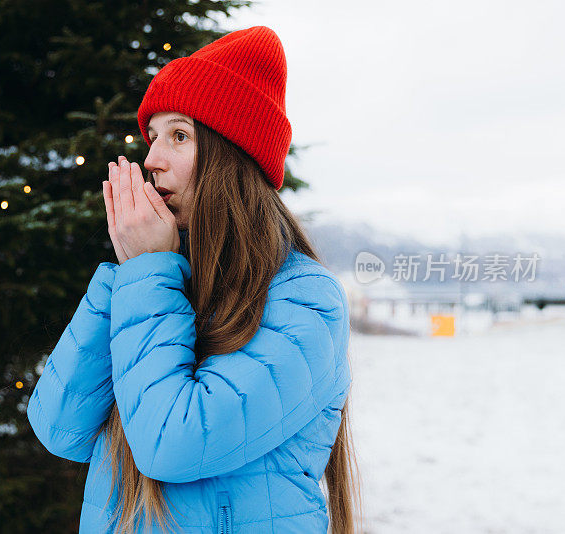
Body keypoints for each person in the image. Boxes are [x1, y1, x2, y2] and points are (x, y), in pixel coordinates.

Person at [27, 26, 361, 533]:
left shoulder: (305, 302)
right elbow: (59, 427)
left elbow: (172, 444)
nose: (152, 159)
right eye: (153, 137)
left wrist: (145, 273)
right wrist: (131, 271)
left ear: (233, 159)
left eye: (178, 136)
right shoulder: (159, 283)